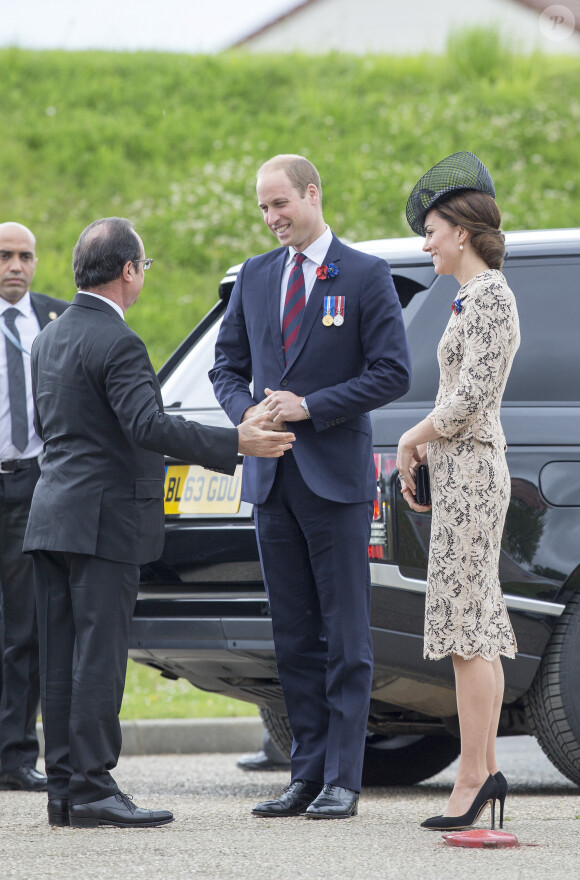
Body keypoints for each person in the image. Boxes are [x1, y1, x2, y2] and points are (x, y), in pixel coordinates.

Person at [22, 217, 295, 829]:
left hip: (51, 514)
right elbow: (146, 425)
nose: (143, 275)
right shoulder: (118, 342)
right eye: (143, 266)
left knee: (62, 656)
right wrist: (238, 442)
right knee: (97, 657)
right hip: (102, 520)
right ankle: (94, 788)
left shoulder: (51, 336)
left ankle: (65, 790)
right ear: (128, 271)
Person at [210, 154, 411, 819]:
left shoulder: (364, 274)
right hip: (272, 481)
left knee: (346, 635)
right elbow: (226, 366)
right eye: (263, 209)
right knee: (293, 637)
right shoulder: (257, 276)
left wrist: (311, 405)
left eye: (280, 205)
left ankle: (344, 781)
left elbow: (392, 374)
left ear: (312, 194)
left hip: (335, 482)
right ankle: (305, 774)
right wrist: (246, 410)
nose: (272, 219)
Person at [398, 152, 520, 830]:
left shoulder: (494, 297)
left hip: (472, 469)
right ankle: (483, 770)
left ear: (464, 233)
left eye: (434, 230)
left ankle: (475, 776)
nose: (427, 242)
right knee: (475, 624)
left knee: (467, 630)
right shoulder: (478, 297)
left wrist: (414, 438)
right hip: (464, 471)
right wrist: (422, 444)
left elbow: (468, 399)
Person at [0, 222, 68, 793]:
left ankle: (16, 756)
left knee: (24, 627)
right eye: (4, 256)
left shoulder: (58, 320)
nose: (15, 266)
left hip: (31, 485)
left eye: (25, 256)